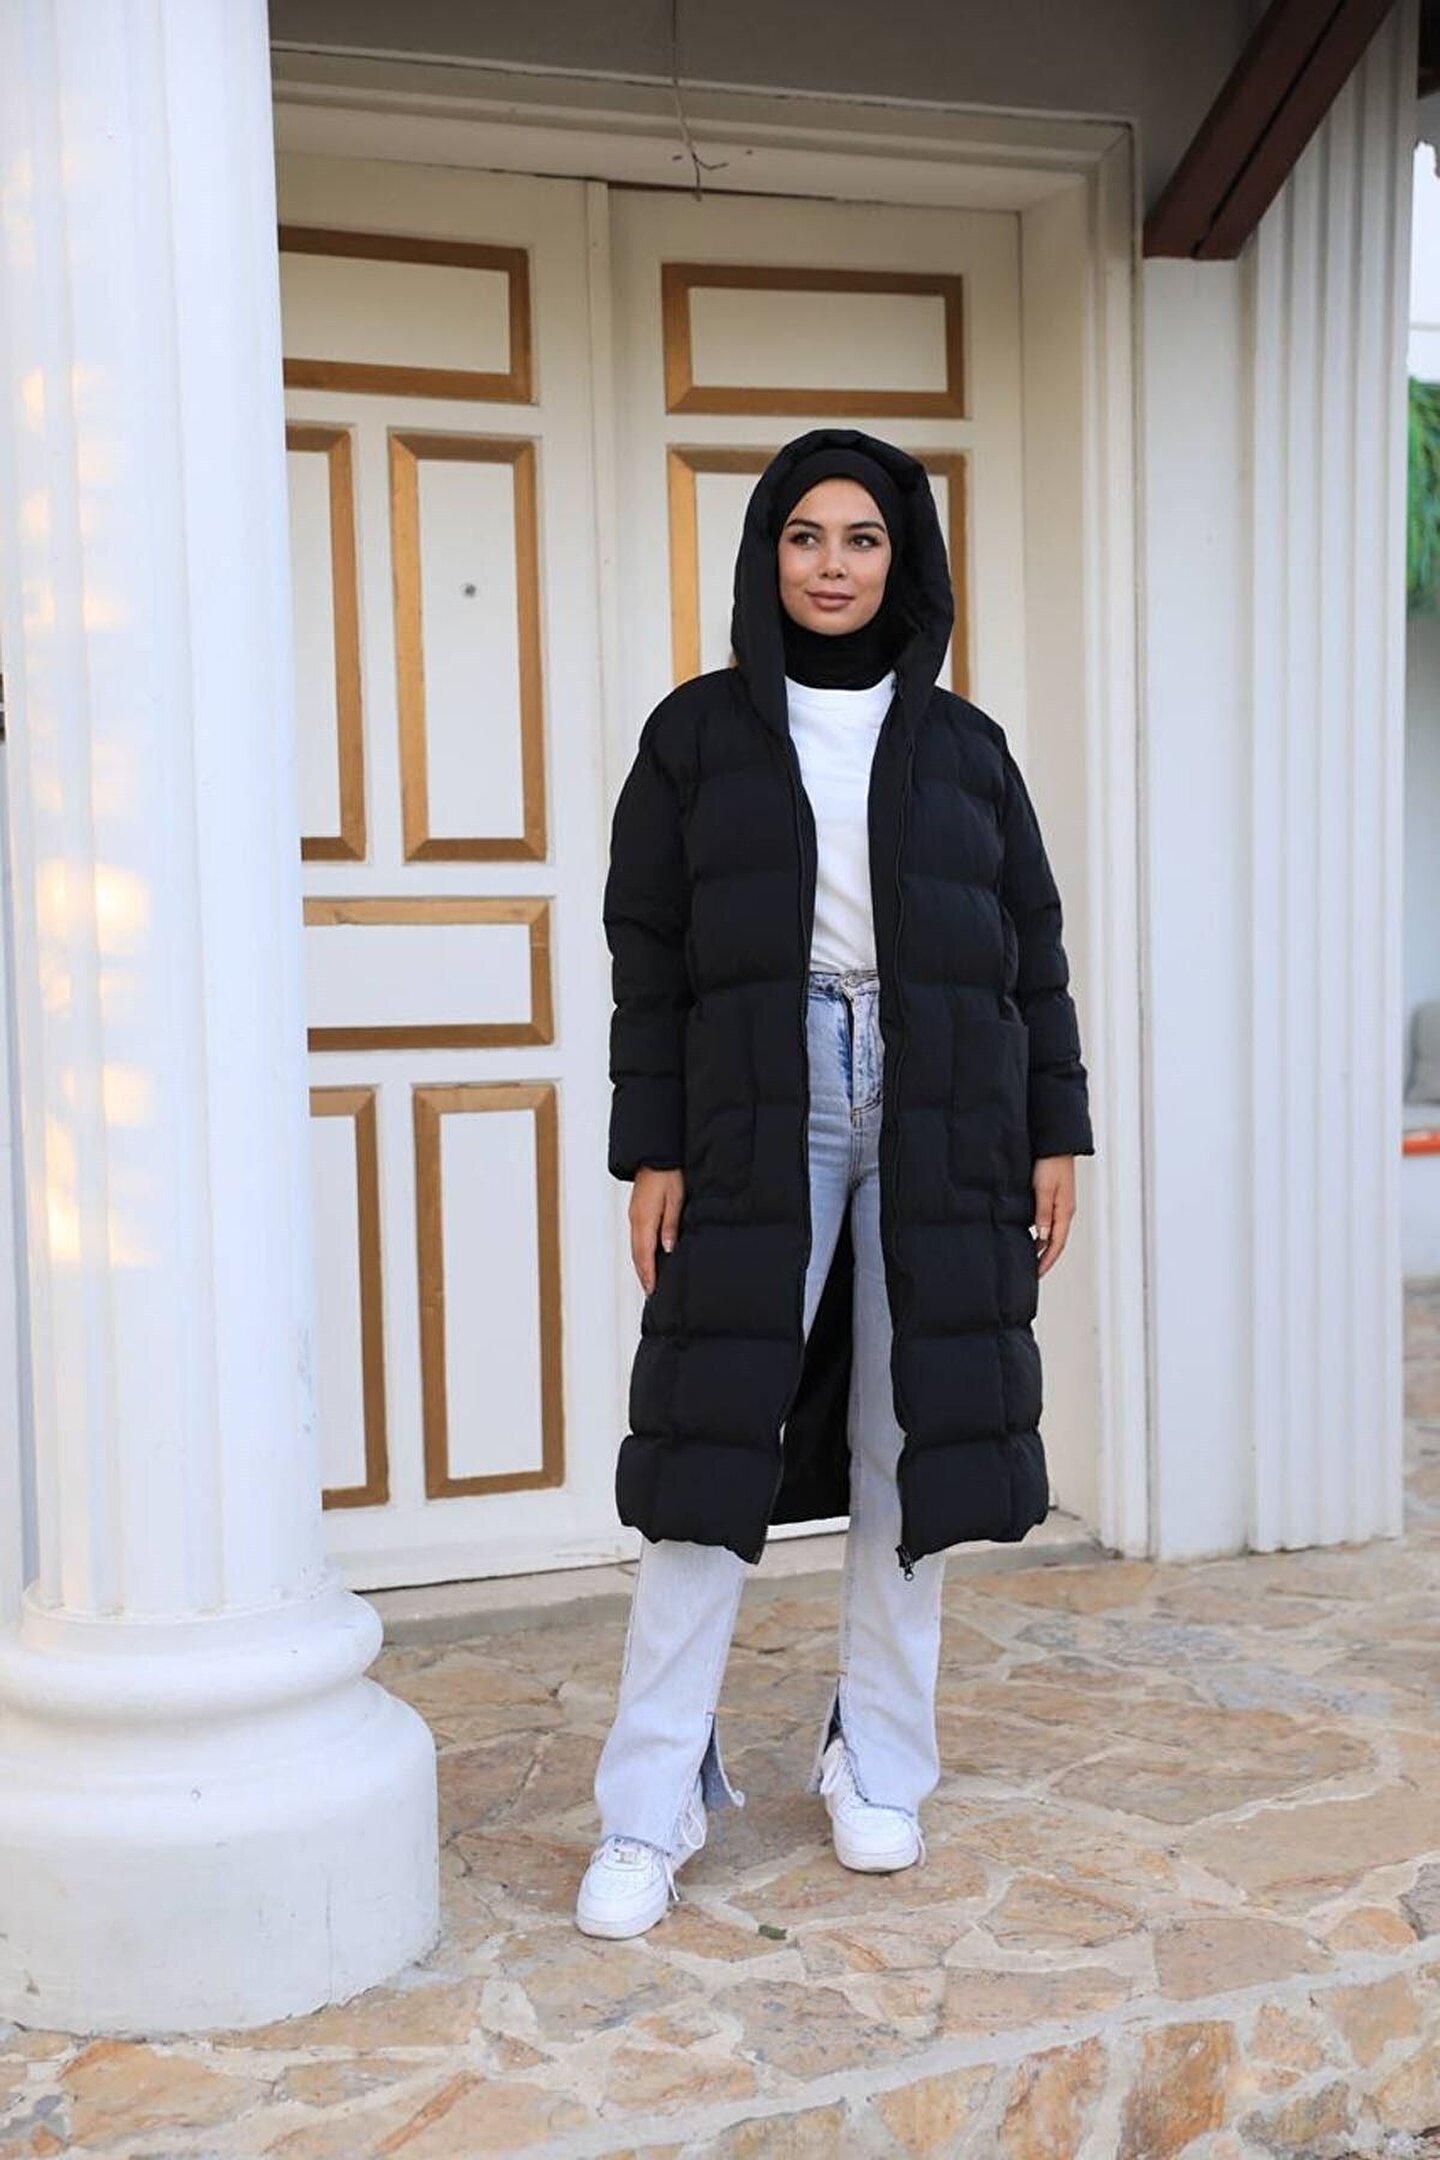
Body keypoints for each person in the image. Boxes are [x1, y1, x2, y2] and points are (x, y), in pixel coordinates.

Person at [576, 428, 1095, 1941]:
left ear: (902, 559)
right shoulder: (696, 735)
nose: (832, 565)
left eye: (862, 538)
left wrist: (1053, 1132)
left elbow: (1033, 953)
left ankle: (878, 1758)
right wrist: (654, 1144)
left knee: (905, 1444)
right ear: (768, 553)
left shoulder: (966, 748)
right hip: (764, 1097)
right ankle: (649, 1803)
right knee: (708, 1446)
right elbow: (646, 954)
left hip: (944, 1105)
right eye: (805, 535)